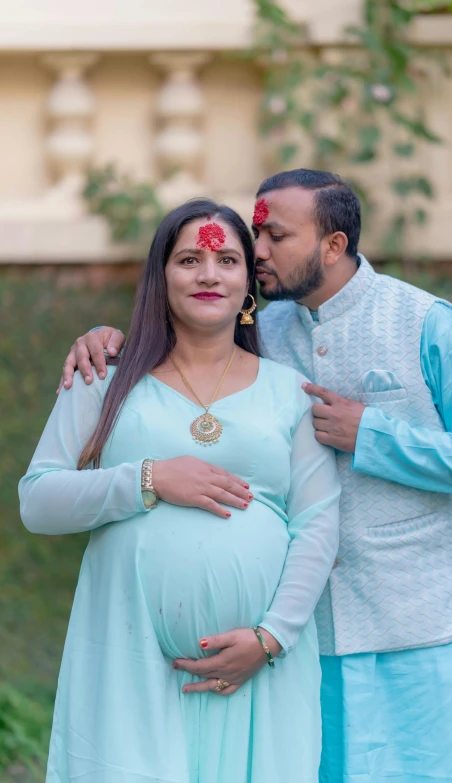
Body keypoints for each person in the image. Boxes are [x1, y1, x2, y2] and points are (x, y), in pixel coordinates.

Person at [60, 169, 452, 783]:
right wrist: (104, 338)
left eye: (275, 235)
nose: (257, 253)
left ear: (332, 245)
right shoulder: (263, 331)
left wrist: (376, 438)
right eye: (256, 234)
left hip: (420, 629)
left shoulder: (424, 322)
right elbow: (178, 352)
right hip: (306, 640)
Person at [19, 198, 341, 783]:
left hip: (260, 669)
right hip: (127, 658)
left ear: (249, 283)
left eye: (227, 260)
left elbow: (318, 522)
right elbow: (38, 500)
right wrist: (149, 479)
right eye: (189, 259)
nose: (209, 274)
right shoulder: (105, 380)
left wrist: (271, 639)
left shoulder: (291, 391)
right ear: (160, 277)